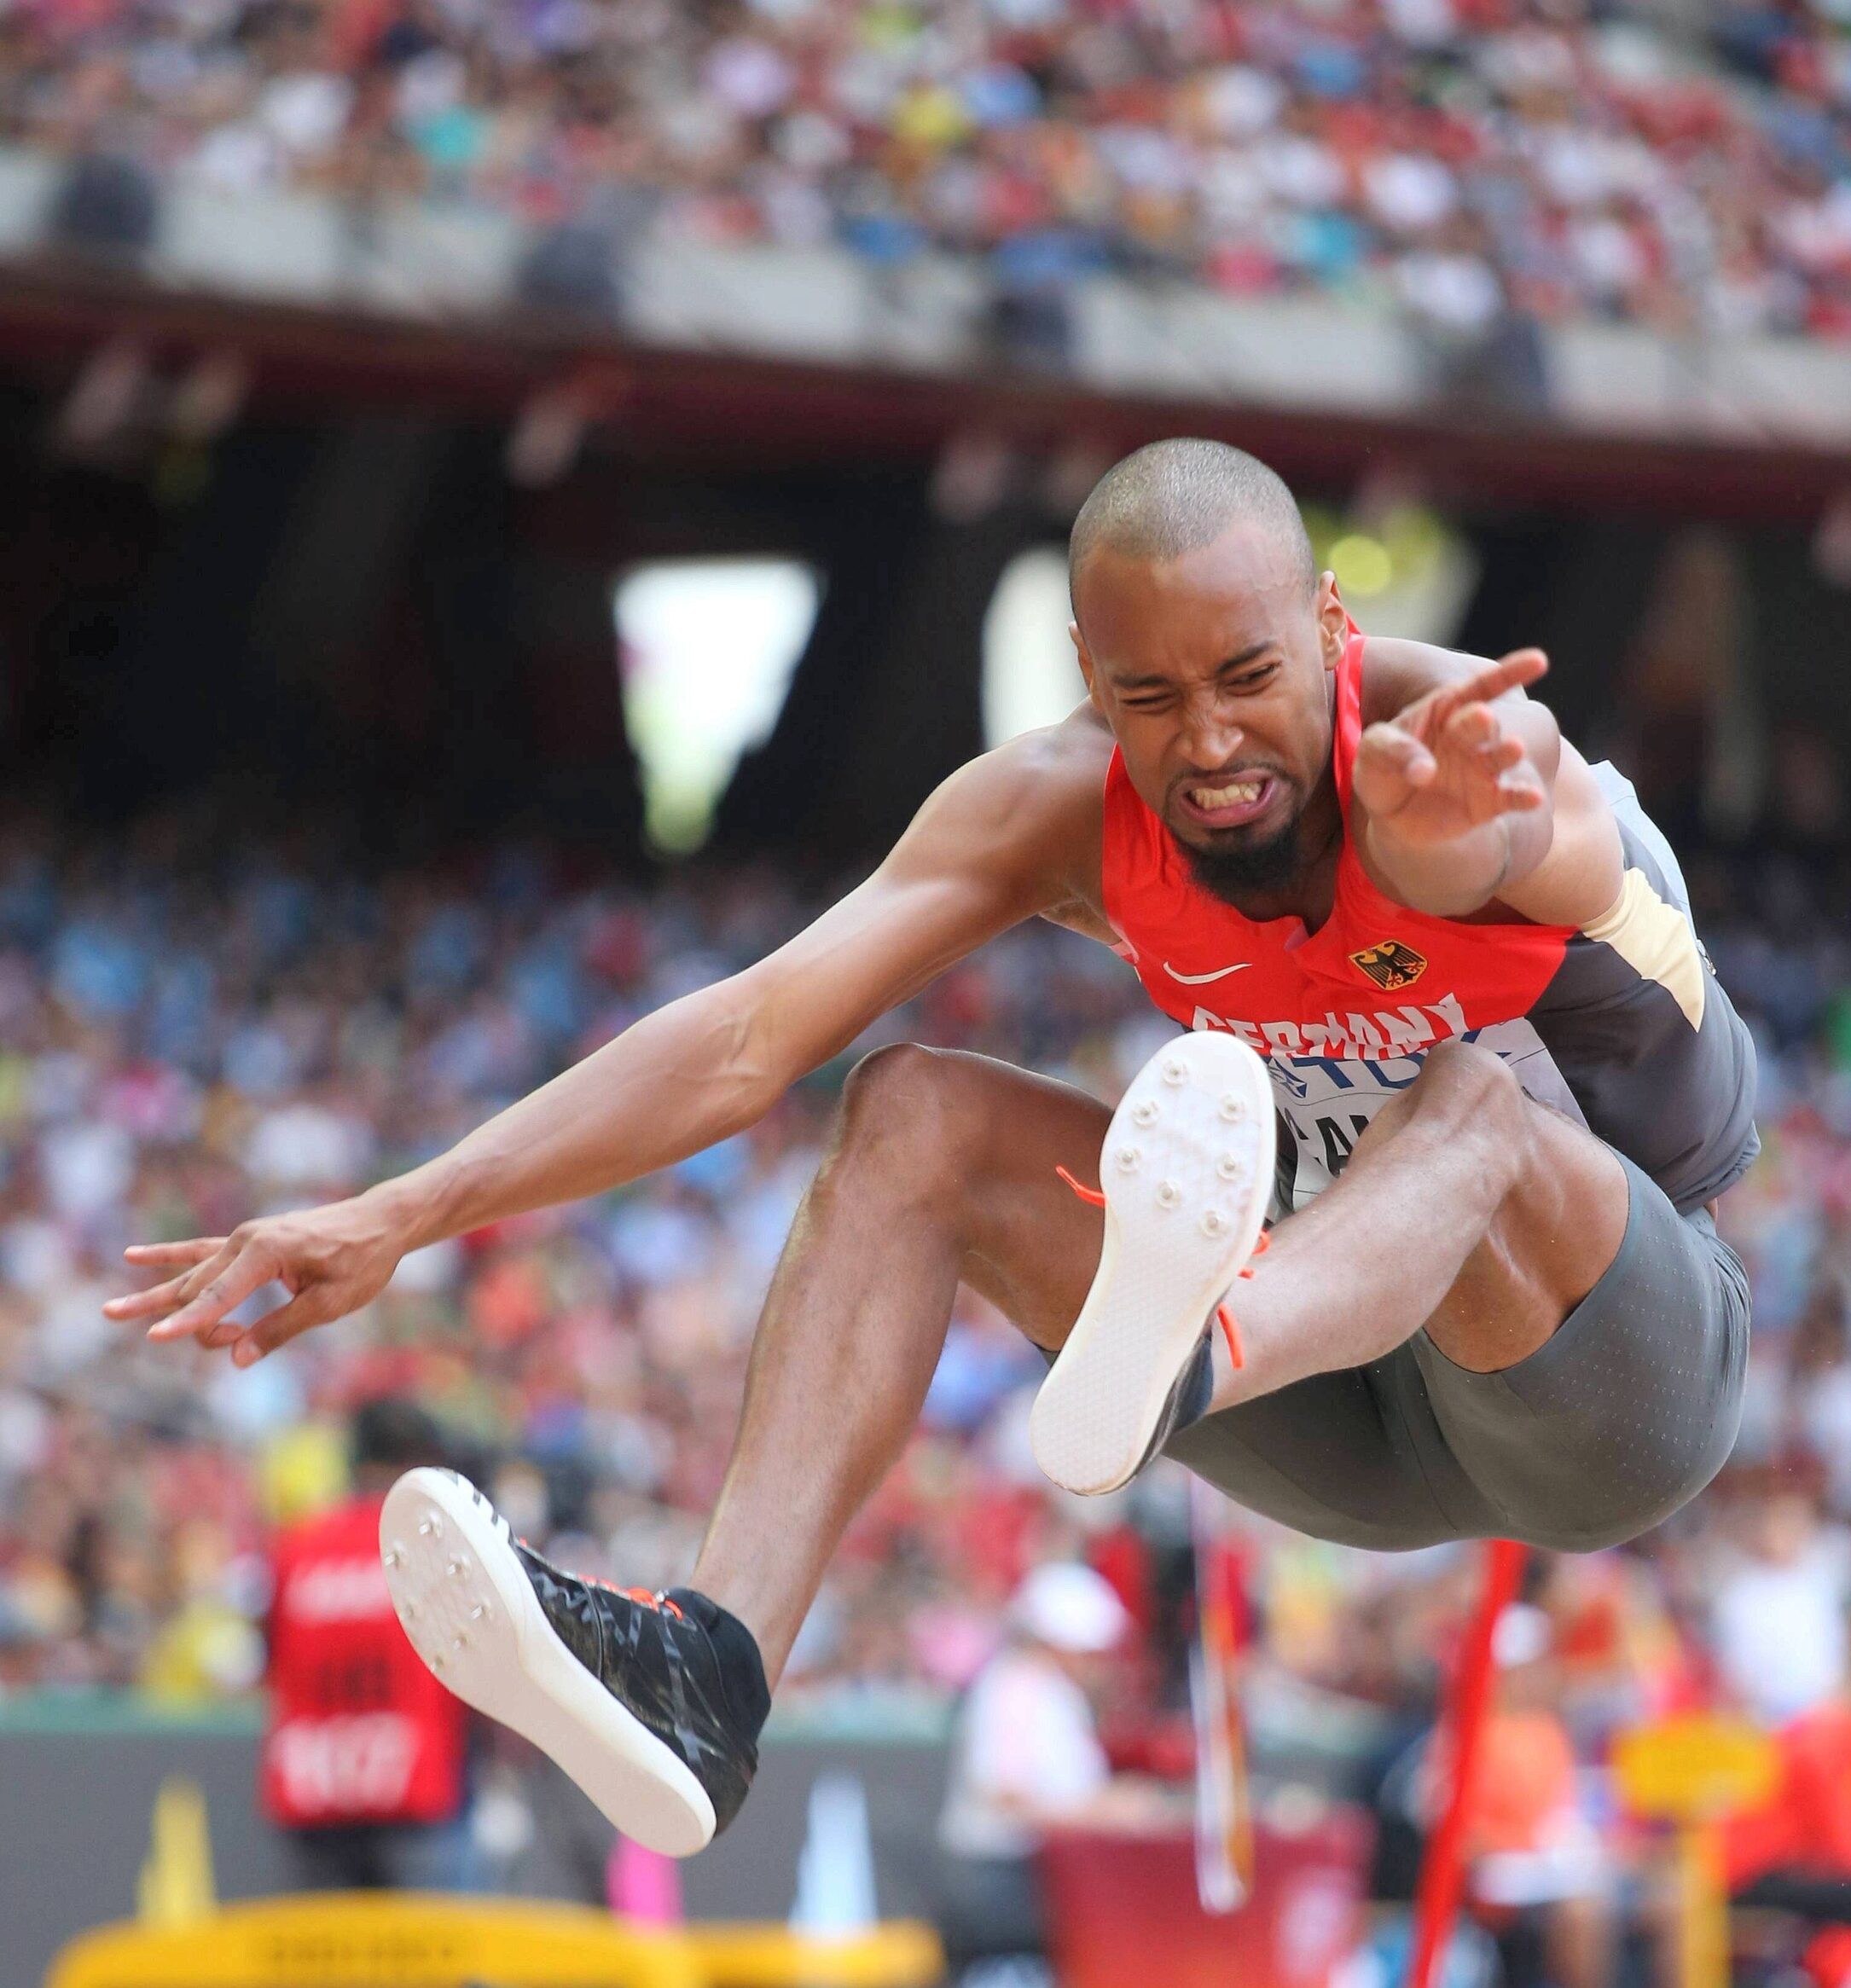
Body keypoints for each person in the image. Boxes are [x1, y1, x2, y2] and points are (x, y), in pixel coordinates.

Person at [107, 438, 1756, 1858]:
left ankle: (1187, 1344)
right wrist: (406, 1208)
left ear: (1332, 626)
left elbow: (1526, 840)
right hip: (1345, 1403)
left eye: (1252, 677)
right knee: (911, 1111)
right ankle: (707, 1677)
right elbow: (753, 1030)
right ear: (1082, 671)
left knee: (1474, 1098)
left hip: (1609, 1375)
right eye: (1148, 695)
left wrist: (1499, 835)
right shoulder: (1059, 809)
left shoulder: (1474, 755)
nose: (1208, 746)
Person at [263, 1398, 476, 1891]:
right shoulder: (434, 1547)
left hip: (312, 1791)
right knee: (434, 1963)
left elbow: (269, 1661)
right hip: (413, 1789)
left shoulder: (295, 1549)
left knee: (323, 1966)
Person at [937, 1562, 1134, 1975]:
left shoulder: (1055, 1695)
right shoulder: (1014, 1688)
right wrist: (1107, 1813)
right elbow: (1007, 1793)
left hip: (1041, 1888)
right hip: (1003, 1889)